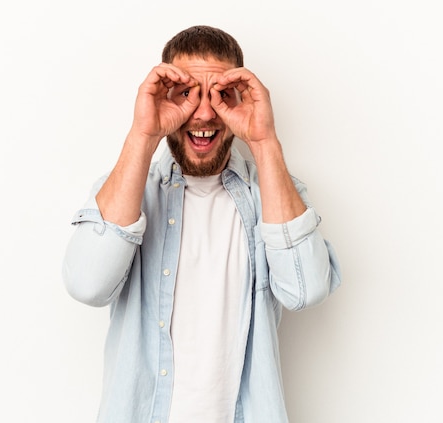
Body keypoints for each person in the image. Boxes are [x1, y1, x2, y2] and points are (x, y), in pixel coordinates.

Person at [63, 25, 342, 423]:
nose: (205, 112)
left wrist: (264, 142)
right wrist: (143, 133)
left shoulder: (274, 193)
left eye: (222, 95)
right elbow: (87, 285)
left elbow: (305, 290)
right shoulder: (128, 193)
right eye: (187, 94)